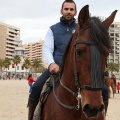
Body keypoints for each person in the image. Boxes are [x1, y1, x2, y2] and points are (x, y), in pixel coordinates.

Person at [28, 0, 77, 120]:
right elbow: (47, 49)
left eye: (71, 9)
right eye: (66, 9)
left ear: (75, 12)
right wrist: (51, 63)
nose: (68, 12)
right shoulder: (53, 29)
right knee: (36, 88)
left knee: (104, 90)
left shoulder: (82, 29)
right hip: (57, 68)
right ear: (61, 11)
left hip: (76, 70)